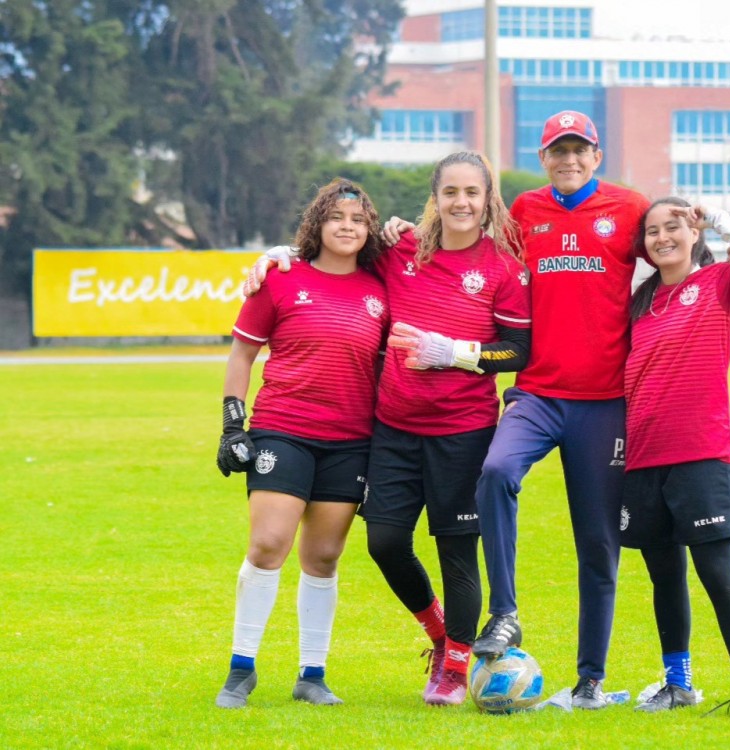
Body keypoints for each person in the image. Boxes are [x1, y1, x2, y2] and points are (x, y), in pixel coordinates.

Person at [382, 111, 650, 708]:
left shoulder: (630, 208)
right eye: (559, 150)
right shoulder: (523, 212)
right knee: (498, 471)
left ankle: (590, 679)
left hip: (604, 402)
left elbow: (673, 252)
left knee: (598, 543)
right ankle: (505, 614)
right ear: (544, 156)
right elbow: (458, 224)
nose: (570, 160)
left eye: (580, 150)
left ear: (597, 155)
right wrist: (402, 225)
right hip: (536, 393)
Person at [246, 151, 532, 706]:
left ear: (488, 198)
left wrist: (459, 353)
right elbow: (333, 247)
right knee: (385, 542)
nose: (461, 203)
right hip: (393, 429)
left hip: (463, 431)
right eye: (450, 192)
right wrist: (279, 255)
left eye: (472, 192)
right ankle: (440, 633)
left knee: (456, 552)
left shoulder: (504, 268)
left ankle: (452, 669)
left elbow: (520, 349)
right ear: (435, 197)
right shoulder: (399, 250)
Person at [214, 178, 389, 709]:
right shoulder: (282, 280)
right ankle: (240, 669)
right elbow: (242, 354)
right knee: (268, 544)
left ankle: (312, 674)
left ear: (369, 229)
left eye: (358, 220)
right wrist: (231, 425)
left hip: (351, 441)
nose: (347, 227)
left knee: (325, 556)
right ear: (318, 224)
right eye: (337, 217)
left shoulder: (382, 288)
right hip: (283, 429)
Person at [621, 197, 730, 719]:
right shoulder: (639, 303)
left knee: (715, 570)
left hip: (702, 455)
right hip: (643, 459)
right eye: (653, 231)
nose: (663, 237)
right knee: (664, 575)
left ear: (693, 234)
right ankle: (677, 682)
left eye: (674, 227)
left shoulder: (719, 284)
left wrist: (717, 220)